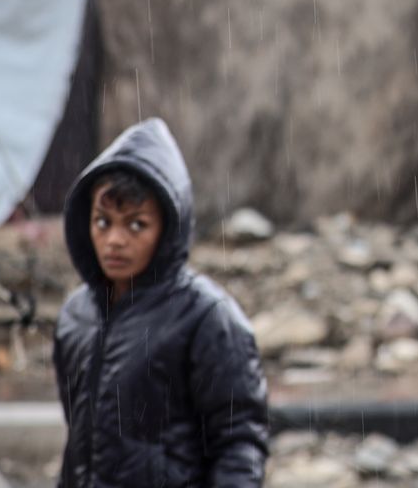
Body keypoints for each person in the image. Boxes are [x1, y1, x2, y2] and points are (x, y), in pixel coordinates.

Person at [53, 118, 269, 487]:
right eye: (102, 222)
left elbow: (239, 444)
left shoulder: (206, 318)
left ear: (168, 227)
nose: (114, 240)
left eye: (136, 224)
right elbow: (79, 445)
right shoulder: (77, 315)